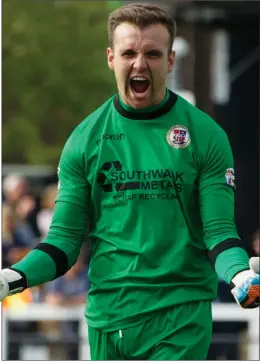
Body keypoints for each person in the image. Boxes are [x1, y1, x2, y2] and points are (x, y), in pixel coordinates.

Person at [0, 3, 259, 360]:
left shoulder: (206, 135)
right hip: (108, 322)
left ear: (170, 61)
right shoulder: (84, 140)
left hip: (180, 319)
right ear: (111, 58)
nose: (140, 64)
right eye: (129, 53)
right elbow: (62, 244)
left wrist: (239, 274)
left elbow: (219, 234)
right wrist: (11, 279)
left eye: (152, 53)